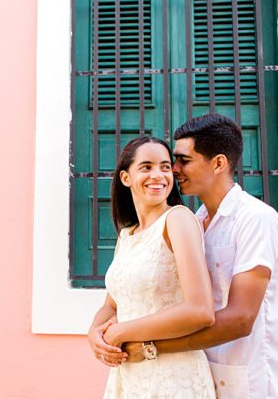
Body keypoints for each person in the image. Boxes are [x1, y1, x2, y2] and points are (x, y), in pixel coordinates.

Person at [100, 113, 278, 398]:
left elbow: (241, 318)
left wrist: (148, 346)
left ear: (218, 163)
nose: (174, 170)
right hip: (200, 372)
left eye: (183, 161)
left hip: (252, 380)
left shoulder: (256, 220)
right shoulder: (197, 220)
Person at [88, 136, 217, 399]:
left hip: (174, 376)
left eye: (165, 166)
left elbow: (201, 310)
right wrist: (94, 333)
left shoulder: (178, 220)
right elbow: (113, 305)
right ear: (126, 178)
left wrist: (122, 331)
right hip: (129, 377)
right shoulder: (127, 235)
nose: (158, 175)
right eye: (146, 167)